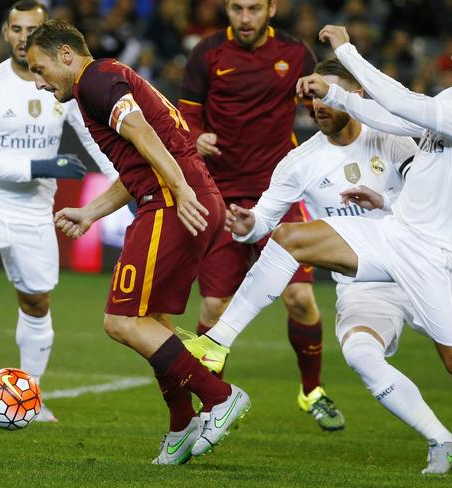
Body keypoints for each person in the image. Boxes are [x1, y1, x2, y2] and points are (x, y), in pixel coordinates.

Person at [185, 13, 452, 483]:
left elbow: (405, 104)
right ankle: (217, 343)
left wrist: (348, 54)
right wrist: (336, 95)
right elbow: (396, 116)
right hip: (395, 232)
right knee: (291, 240)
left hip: (433, 255)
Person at [25, 19, 250, 464]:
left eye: (39, 68)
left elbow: (144, 134)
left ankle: (220, 396)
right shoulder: (106, 78)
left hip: (171, 201)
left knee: (121, 321)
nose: (38, 82)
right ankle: (182, 425)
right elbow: (140, 162)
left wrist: (180, 190)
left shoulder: (95, 81)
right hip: (178, 194)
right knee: (152, 321)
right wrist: (91, 212)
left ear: (66, 55)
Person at [0, 0, 118, 423]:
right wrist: (41, 165)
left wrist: (124, 179)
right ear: (6, 34)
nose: (24, 38)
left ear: (48, 35)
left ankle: (31, 397)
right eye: (16, 29)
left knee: (36, 303)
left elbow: (96, 141)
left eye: (32, 30)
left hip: (34, 210)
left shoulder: (65, 85)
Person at [178, 0, 343, 431]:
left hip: (279, 192)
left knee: (301, 299)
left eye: (254, 8)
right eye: (237, 8)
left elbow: (322, 109)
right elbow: (186, 117)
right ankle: (213, 405)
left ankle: (312, 392)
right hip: (221, 195)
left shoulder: (296, 54)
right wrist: (198, 137)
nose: (245, 17)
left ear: (271, 8)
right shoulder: (206, 54)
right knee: (214, 307)